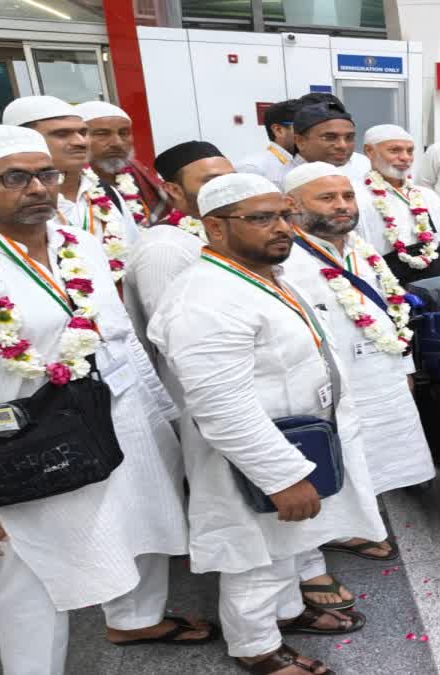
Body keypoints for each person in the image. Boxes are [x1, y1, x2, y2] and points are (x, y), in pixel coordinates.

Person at [0, 125, 211, 674]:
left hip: (108, 415)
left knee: (133, 525)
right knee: (31, 571)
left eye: (44, 174)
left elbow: (118, 332)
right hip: (16, 440)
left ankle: (132, 618)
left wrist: (157, 414)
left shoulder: (77, 245)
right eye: (13, 177)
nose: (37, 188)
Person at [148, 173, 389, 673]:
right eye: (261, 218)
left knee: (286, 546)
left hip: (295, 439)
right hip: (259, 455)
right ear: (215, 227)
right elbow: (222, 406)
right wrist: (282, 476)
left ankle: (289, 611)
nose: (281, 228)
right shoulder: (205, 299)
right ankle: (256, 647)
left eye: (285, 214)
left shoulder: (256, 273)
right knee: (255, 556)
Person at [281, 162, 435, 611]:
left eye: (346, 197)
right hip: (322, 389)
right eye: (326, 198)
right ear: (293, 205)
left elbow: (390, 311)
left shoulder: (360, 249)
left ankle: (351, 529)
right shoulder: (286, 258)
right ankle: (309, 565)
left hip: (378, 373)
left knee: (372, 457)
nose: (342, 206)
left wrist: (403, 365)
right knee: (323, 466)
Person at [122, 141, 234, 386]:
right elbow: (174, 338)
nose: (227, 187)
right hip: (203, 387)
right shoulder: (164, 247)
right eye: (211, 181)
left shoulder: (221, 231)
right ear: (173, 189)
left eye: (231, 179)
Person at [3, 96, 140, 281]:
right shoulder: (8, 203)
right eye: (62, 134)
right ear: (22, 140)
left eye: (83, 133)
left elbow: (134, 257)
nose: (80, 142)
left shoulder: (107, 193)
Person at [358, 124, 440, 285]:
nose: (405, 157)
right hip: (391, 286)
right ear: (369, 151)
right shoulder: (358, 196)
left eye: (410, 151)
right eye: (395, 150)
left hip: (439, 279)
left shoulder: (425, 195)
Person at [75, 101, 169, 225]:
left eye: (124, 133)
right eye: (102, 134)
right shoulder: (68, 184)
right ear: (78, 139)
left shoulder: (141, 176)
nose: (117, 143)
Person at [294, 92, 372, 182]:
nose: (343, 145)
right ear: (300, 141)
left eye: (349, 137)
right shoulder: (280, 182)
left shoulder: (363, 165)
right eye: (330, 137)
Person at [236, 98, 302, 190]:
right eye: (302, 126)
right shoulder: (254, 168)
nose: (310, 132)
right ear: (278, 130)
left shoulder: (309, 162)